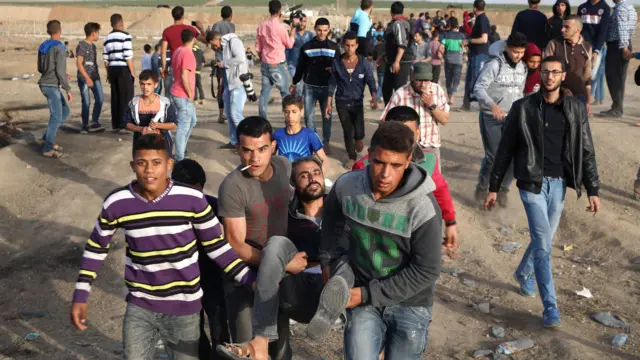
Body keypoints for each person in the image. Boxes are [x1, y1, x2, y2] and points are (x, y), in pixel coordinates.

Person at [69, 133, 256, 359]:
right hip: (140, 307)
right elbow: (97, 247)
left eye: (156, 163)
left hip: (185, 309)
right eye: (142, 163)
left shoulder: (193, 199)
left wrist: (250, 280)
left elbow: (217, 247)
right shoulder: (117, 203)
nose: (149, 170)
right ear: (132, 165)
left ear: (168, 164)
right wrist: (81, 294)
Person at [485, 55, 601, 328]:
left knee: (544, 239)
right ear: (540, 77)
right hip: (531, 184)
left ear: (562, 76)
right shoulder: (522, 107)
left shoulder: (575, 108)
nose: (549, 76)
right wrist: (494, 186)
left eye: (555, 72)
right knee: (543, 243)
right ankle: (550, 306)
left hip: (559, 183)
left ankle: (523, 273)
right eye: (545, 72)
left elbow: (586, 149)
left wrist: (593, 188)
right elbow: (505, 151)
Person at [313, 121, 442, 359]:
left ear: (409, 161)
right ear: (369, 155)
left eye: (395, 165)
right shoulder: (347, 186)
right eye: (380, 162)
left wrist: (364, 294)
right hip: (363, 297)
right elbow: (331, 223)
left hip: (410, 303)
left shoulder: (423, 207)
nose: (385, 174)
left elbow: (427, 270)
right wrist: (327, 262)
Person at [218, 156, 329, 360]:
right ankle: (260, 343)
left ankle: (333, 309)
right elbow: (241, 244)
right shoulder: (288, 218)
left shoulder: (340, 210)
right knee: (275, 244)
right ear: (294, 185)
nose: (312, 179)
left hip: (334, 284)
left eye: (316, 173)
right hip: (297, 289)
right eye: (304, 176)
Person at [217, 117, 294, 360]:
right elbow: (235, 243)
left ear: (273, 146)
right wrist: (278, 263)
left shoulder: (284, 167)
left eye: (262, 149)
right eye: (247, 151)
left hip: (279, 273)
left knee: (280, 345)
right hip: (243, 275)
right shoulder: (232, 186)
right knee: (247, 346)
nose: (255, 158)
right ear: (238, 149)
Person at [352, 106, 458, 253]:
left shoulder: (429, 160)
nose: (401, 141)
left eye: (408, 134)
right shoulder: (363, 166)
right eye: (395, 134)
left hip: (416, 234)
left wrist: (450, 222)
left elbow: (440, 190)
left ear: (418, 134)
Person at [170, 159, 231, 360]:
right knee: (192, 332)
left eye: (197, 191)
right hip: (183, 283)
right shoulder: (166, 212)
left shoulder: (213, 205)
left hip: (213, 277)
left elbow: (235, 232)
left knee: (219, 326)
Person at [473, 32, 528, 205]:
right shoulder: (494, 65)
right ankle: (482, 187)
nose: (518, 55)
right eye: (514, 51)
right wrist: (492, 105)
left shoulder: (523, 68)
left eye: (521, 52)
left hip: (512, 118)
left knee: (514, 156)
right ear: (507, 48)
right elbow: (479, 88)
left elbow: (520, 92)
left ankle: (503, 189)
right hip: (491, 117)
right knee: (494, 156)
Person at [381, 62, 449, 172]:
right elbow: (385, 122)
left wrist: (431, 105)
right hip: (407, 148)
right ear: (412, 76)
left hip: (431, 146)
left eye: (426, 80)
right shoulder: (401, 94)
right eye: (419, 80)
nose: (423, 84)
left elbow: (444, 120)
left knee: (433, 182)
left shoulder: (437, 90)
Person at [325, 32, 378, 169]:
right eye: (347, 46)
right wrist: (328, 102)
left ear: (357, 46)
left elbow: (370, 80)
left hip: (357, 102)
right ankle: (351, 156)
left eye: (352, 46)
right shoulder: (337, 62)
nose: (350, 49)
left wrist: (373, 97)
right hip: (341, 101)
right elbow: (332, 82)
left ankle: (358, 138)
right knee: (347, 129)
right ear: (343, 46)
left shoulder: (364, 63)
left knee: (359, 129)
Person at [291, 18, 340, 150]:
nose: (322, 33)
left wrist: (334, 72)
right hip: (309, 86)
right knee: (308, 117)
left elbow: (339, 68)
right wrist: (294, 82)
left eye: (325, 30)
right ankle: (314, 143)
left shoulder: (334, 47)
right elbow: (300, 67)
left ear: (329, 29)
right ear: (315, 29)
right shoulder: (306, 47)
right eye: (319, 30)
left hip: (327, 88)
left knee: (326, 116)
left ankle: (326, 142)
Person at [207, 30, 251, 151]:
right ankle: (234, 142)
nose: (214, 47)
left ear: (217, 38)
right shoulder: (223, 47)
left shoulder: (233, 41)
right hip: (228, 85)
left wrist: (223, 64)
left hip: (238, 83)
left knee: (236, 115)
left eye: (213, 44)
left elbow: (241, 58)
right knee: (230, 116)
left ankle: (247, 143)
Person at [256, 0, 297, 120]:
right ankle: (290, 121)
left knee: (264, 94)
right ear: (279, 11)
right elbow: (289, 44)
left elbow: (258, 47)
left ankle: (262, 120)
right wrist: (293, 30)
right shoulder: (280, 28)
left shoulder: (262, 26)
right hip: (277, 64)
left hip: (265, 64)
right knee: (286, 93)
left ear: (269, 10)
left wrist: (263, 59)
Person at [38, 20, 72, 159]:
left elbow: (40, 68)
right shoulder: (60, 47)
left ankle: (47, 138)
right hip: (51, 86)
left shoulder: (43, 46)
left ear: (48, 31)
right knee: (56, 116)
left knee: (65, 110)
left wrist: (61, 74)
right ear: (60, 30)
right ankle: (47, 148)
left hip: (45, 83)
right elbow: (59, 70)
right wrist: (68, 89)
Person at [543, 15, 593, 110]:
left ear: (577, 30)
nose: (562, 29)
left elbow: (587, 76)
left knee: (579, 124)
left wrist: (588, 101)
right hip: (557, 96)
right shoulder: (554, 44)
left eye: (567, 27)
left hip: (579, 96)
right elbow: (545, 71)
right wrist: (560, 89)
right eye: (562, 26)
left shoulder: (587, 47)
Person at [124, 70, 177, 154]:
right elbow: (126, 123)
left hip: (162, 145)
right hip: (141, 145)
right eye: (142, 84)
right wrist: (140, 129)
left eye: (149, 84)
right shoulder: (134, 103)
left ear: (155, 85)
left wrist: (158, 125)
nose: (145, 87)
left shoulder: (165, 103)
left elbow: (174, 125)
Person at [274, 95, 329, 173]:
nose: (290, 116)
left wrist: (319, 175)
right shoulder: (277, 135)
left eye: (294, 112)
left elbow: (324, 159)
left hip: (304, 179)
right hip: (284, 180)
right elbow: (269, 158)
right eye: (287, 112)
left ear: (301, 112)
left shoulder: (310, 135)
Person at [600, 0, 637, 118]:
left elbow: (623, 28)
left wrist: (624, 47)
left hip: (618, 46)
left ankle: (617, 109)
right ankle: (616, 107)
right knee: (618, 77)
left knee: (614, 77)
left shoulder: (621, 8)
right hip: (621, 45)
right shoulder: (629, 7)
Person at [161, 6, 205, 96]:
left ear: (173, 16)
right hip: (188, 65)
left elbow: (163, 51)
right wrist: (201, 29)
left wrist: (164, 67)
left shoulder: (167, 31)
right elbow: (205, 40)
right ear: (183, 16)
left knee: (173, 91)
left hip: (174, 65)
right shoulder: (190, 29)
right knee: (187, 91)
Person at [103, 13, 135, 133]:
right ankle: (125, 124)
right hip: (123, 69)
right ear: (121, 22)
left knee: (115, 97)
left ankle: (115, 124)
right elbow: (128, 56)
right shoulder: (126, 36)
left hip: (112, 69)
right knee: (126, 96)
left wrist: (108, 74)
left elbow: (105, 59)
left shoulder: (107, 38)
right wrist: (132, 72)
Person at [171, 29, 198, 161]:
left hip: (178, 92)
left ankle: (182, 150)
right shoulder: (187, 53)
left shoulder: (177, 51)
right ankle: (180, 158)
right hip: (183, 94)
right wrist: (190, 93)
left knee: (192, 121)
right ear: (193, 39)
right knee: (183, 126)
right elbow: (184, 75)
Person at [460, 0, 491, 111]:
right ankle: (466, 104)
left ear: (474, 8)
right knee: (470, 80)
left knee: (476, 80)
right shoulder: (480, 19)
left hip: (479, 55)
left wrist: (469, 41)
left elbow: (484, 39)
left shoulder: (482, 19)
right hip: (475, 54)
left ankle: (482, 105)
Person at [382, 1, 414, 105]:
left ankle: (398, 115)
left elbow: (401, 44)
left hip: (401, 61)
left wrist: (397, 61)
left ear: (391, 12)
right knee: (386, 87)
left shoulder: (398, 23)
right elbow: (392, 45)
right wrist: (383, 56)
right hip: (394, 60)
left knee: (399, 89)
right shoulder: (402, 23)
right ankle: (390, 113)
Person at [578, 0, 610, 103]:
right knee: (579, 74)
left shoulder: (605, 8)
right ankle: (581, 101)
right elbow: (578, 28)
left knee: (592, 75)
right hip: (581, 46)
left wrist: (596, 51)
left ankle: (589, 103)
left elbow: (603, 31)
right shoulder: (582, 7)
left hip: (596, 47)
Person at [76, 22, 104, 135]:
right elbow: (79, 64)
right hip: (84, 78)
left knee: (100, 99)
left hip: (95, 76)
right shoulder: (81, 45)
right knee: (86, 102)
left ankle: (95, 121)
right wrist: (87, 78)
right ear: (93, 34)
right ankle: (85, 125)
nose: (98, 35)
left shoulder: (93, 46)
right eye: (97, 33)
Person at [212, 5, 236, 124]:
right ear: (230, 15)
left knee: (220, 87)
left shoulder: (216, 26)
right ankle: (230, 112)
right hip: (230, 61)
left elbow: (212, 44)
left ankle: (221, 114)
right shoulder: (232, 26)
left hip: (219, 60)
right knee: (230, 86)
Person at [285, 14, 314, 98]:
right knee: (297, 87)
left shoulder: (310, 35)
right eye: (300, 21)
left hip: (307, 66)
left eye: (304, 21)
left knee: (305, 89)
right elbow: (287, 50)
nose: (302, 23)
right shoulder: (292, 35)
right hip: (293, 65)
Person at [441, 18, 466, 105]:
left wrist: (443, 56)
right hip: (458, 60)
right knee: (456, 79)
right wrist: (464, 56)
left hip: (448, 59)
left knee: (448, 78)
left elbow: (441, 48)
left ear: (450, 25)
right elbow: (465, 48)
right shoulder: (462, 36)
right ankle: (453, 96)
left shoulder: (445, 35)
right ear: (457, 25)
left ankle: (449, 96)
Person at [373, 35, 386, 103]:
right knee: (383, 84)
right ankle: (378, 98)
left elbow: (374, 57)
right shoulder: (386, 46)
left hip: (379, 67)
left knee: (380, 84)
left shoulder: (376, 46)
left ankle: (377, 97)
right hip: (386, 67)